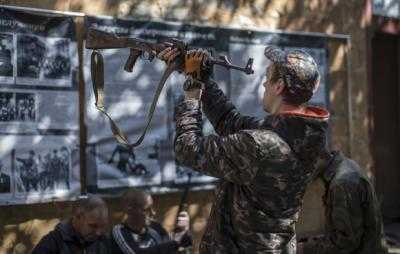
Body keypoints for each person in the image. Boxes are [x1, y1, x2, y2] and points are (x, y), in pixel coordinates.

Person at [157, 46, 329, 253]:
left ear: (279, 86)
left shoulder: (261, 145)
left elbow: (187, 149)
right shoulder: (302, 135)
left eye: (268, 77)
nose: (264, 83)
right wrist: (204, 79)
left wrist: (192, 90)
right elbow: (229, 121)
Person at [297, 150, 388, 254]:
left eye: (303, 163)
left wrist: (304, 249)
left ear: (318, 157)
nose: (302, 170)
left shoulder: (342, 184)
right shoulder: (343, 166)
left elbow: (346, 242)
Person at [108, 189, 192, 254]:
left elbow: (170, 249)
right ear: (130, 210)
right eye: (146, 210)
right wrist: (176, 243)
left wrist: (183, 233)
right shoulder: (119, 231)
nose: (153, 213)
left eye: (152, 208)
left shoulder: (156, 228)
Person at [32, 196, 109, 254]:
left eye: (102, 226)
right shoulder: (53, 242)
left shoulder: (104, 242)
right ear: (78, 216)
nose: (98, 232)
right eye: (93, 226)